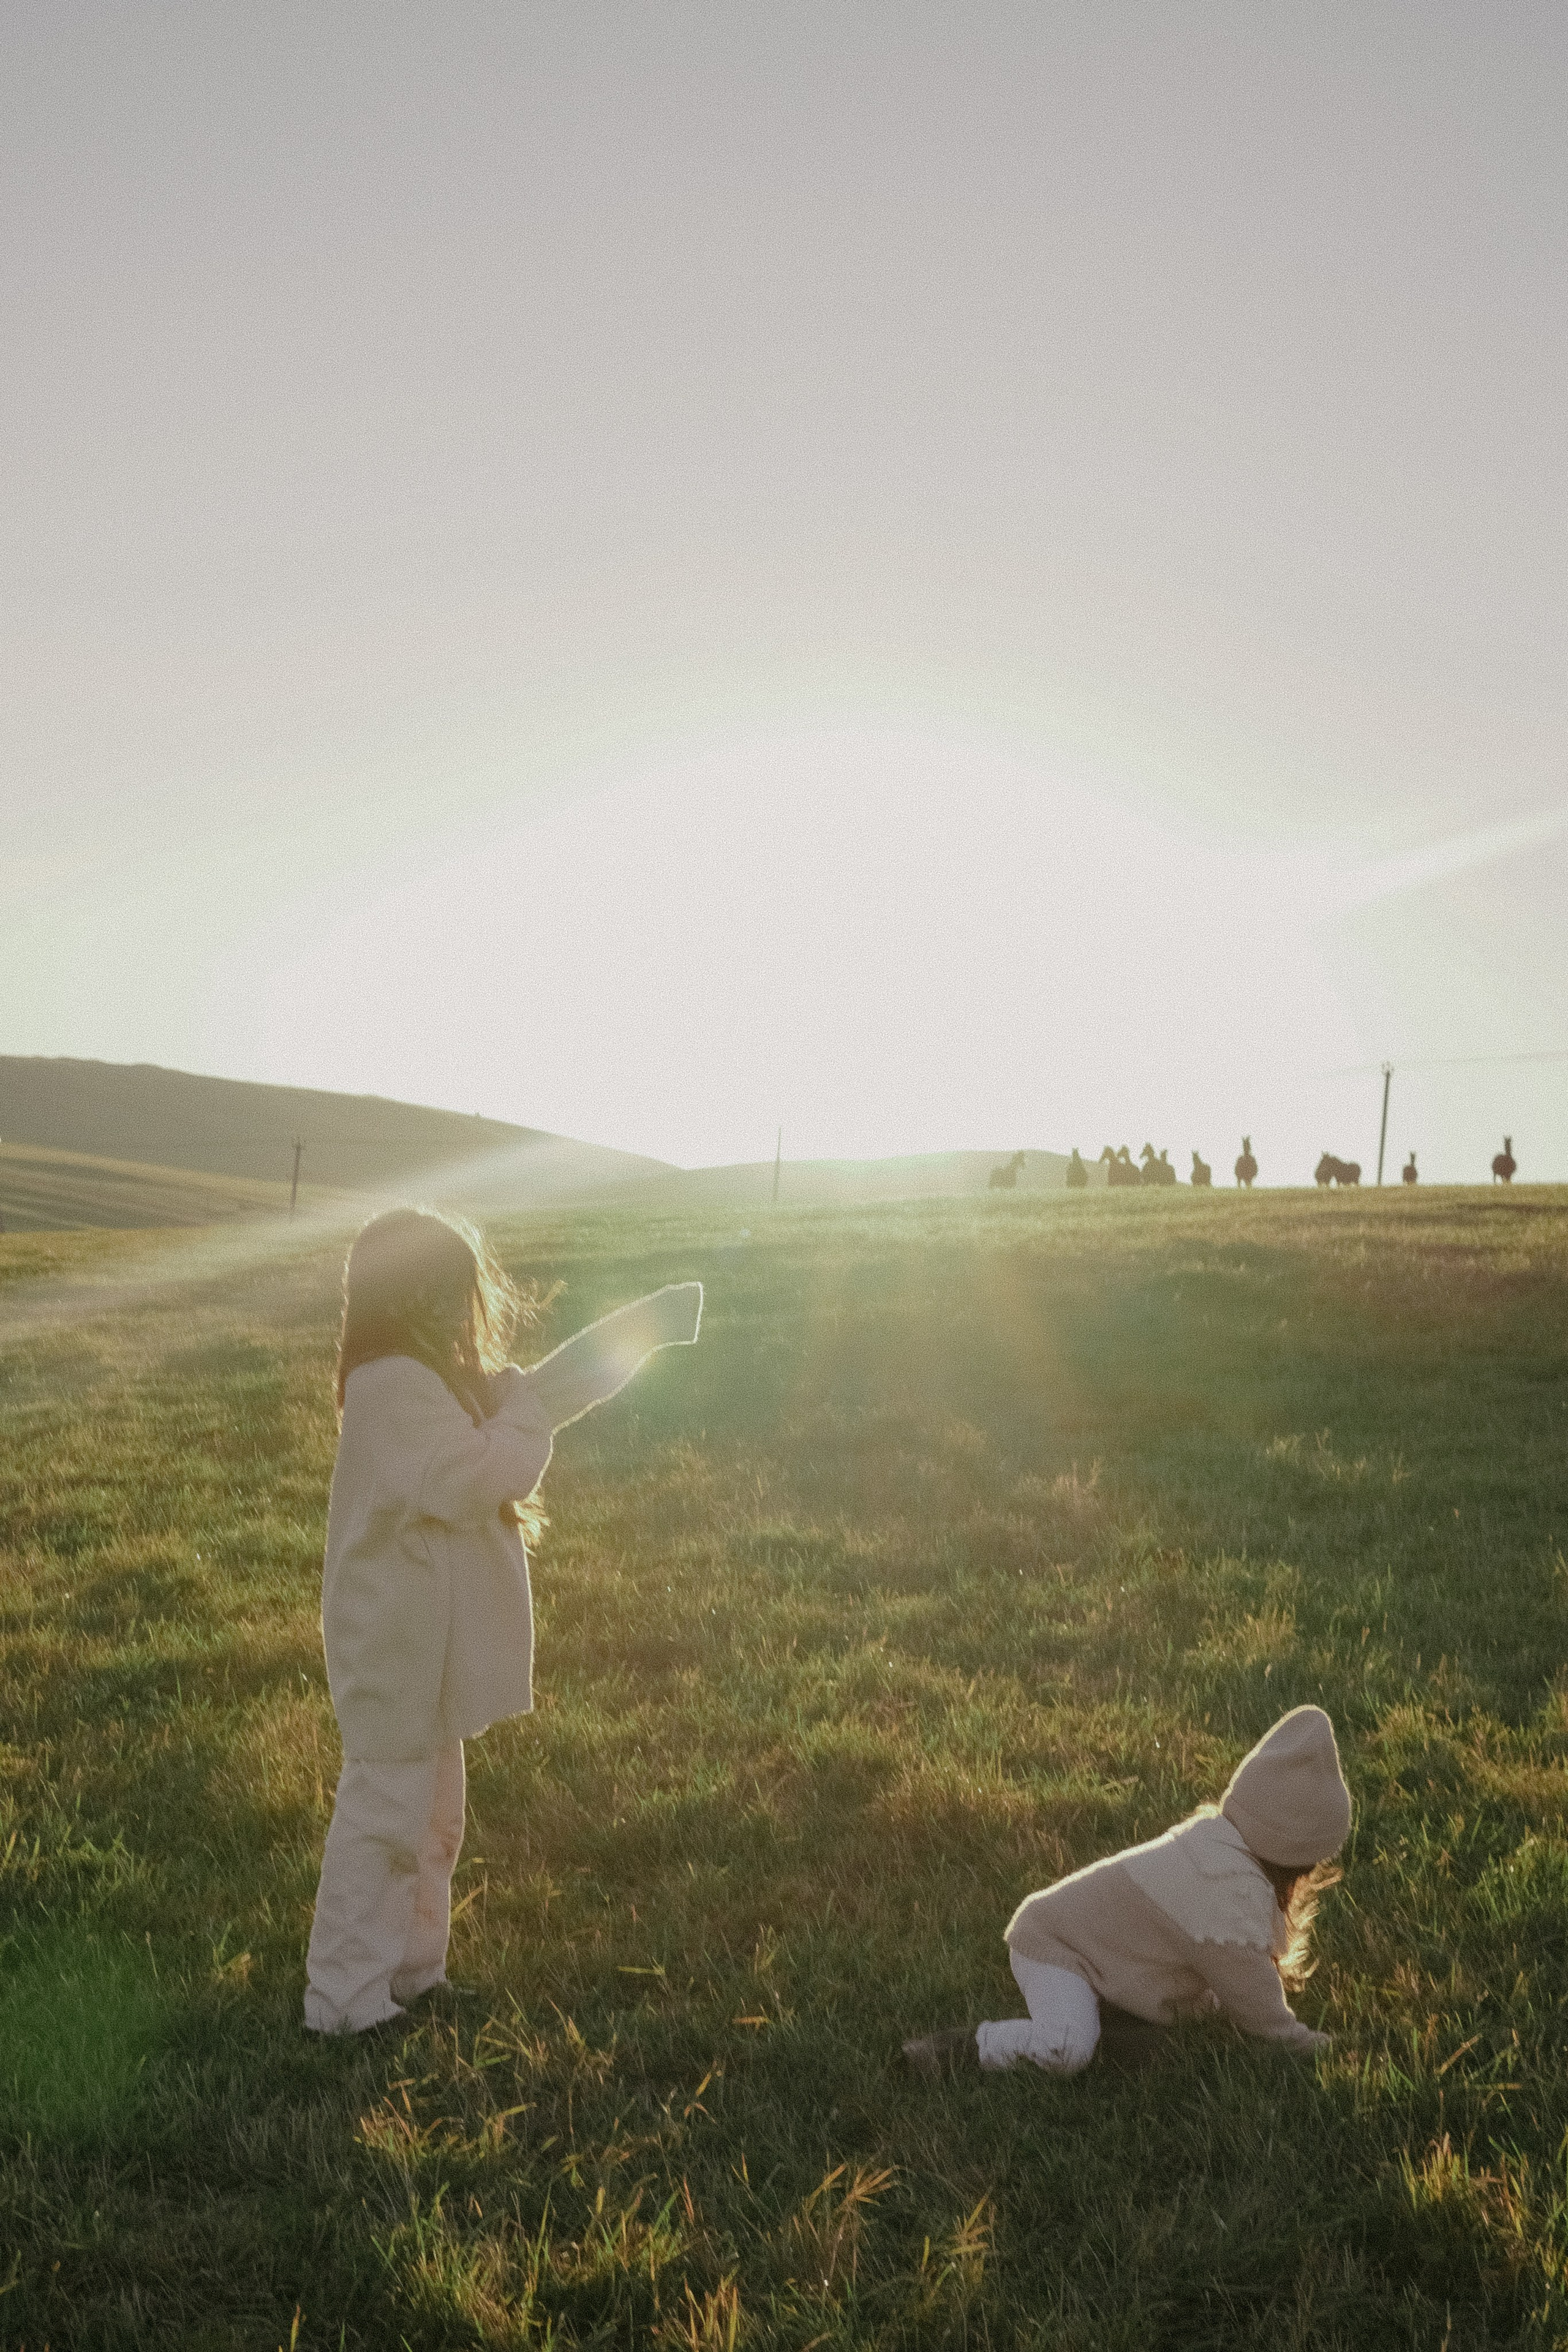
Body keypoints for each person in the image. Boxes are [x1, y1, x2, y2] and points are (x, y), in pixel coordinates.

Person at [304, 1207, 703, 2034]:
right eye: (436, 1289)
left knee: (434, 1820)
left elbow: (545, 1394)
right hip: (392, 1650)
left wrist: (647, 1328)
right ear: (392, 1296)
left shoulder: (433, 1379)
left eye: (461, 1287)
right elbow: (489, 1469)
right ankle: (344, 2007)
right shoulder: (391, 1386)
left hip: (426, 1652)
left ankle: (414, 1976)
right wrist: (521, 1408)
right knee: (384, 1821)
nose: (457, 1306)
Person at [903, 1704, 1350, 2076]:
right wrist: (1317, 2046)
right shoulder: (1225, 1892)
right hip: (1056, 1946)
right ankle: (959, 2051)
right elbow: (1264, 2019)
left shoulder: (1220, 1842)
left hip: (1105, 1952)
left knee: (1193, 2020)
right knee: (1066, 2051)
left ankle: (1113, 2023)